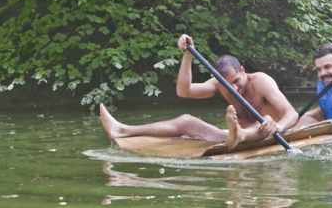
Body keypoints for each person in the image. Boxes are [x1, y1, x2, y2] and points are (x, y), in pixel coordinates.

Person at [99, 34, 298, 150]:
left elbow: (292, 113)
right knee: (186, 120)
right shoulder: (220, 84)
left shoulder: (261, 81)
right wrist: (187, 55)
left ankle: (240, 134)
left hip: (269, 134)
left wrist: (278, 127)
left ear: (243, 71)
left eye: (237, 81)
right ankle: (123, 130)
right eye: (229, 85)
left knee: (260, 124)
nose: (234, 88)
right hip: (232, 138)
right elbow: (183, 91)